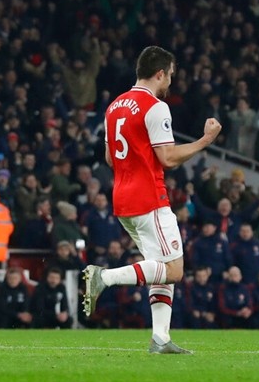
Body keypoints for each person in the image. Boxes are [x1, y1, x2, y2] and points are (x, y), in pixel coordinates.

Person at [83, 45, 223, 354]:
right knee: (173, 270)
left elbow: (109, 157)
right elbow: (169, 158)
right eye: (170, 75)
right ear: (160, 73)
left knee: (159, 266)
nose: (171, 81)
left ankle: (160, 338)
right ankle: (103, 277)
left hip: (122, 197)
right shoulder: (155, 106)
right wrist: (205, 141)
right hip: (149, 197)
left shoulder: (114, 106)